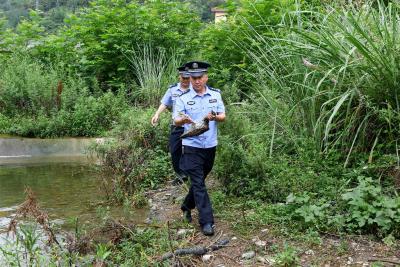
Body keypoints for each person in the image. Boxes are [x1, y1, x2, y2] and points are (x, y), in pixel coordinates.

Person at [173, 61, 226, 236]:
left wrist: (215, 117)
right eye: (193, 78)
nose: (196, 81)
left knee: (199, 181)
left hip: (210, 145)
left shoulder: (215, 95)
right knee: (198, 183)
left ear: (205, 77)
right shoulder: (183, 98)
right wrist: (184, 120)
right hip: (191, 146)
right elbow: (176, 120)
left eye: (199, 78)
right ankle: (207, 221)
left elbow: (223, 116)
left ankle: (187, 205)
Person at [151, 65, 191, 184]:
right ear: (179, 77)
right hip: (177, 125)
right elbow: (164, 103)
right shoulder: (173, 89)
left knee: (191, 150)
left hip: (191, 126)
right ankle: (181, 175)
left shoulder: (195, 89)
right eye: (183, 78)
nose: (185, 80)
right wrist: (157, 114)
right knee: (175, 151)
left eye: (188, 78)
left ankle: (190, 173)